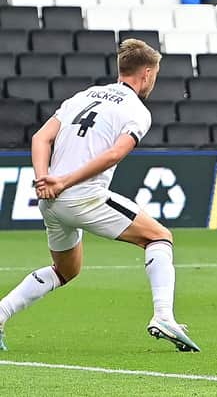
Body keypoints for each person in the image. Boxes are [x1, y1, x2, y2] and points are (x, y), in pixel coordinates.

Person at [0, 39, 200, 353]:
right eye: (155, 76)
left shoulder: (83, 96)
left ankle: (0, 314)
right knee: (159, 237)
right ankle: (164, 316)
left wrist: (44, 179)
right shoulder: (136, 110)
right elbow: (114, 154)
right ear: (146, 74)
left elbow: (41, 137)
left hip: (50, 199)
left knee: (66, 270)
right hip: (80, 195)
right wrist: (64, 181)